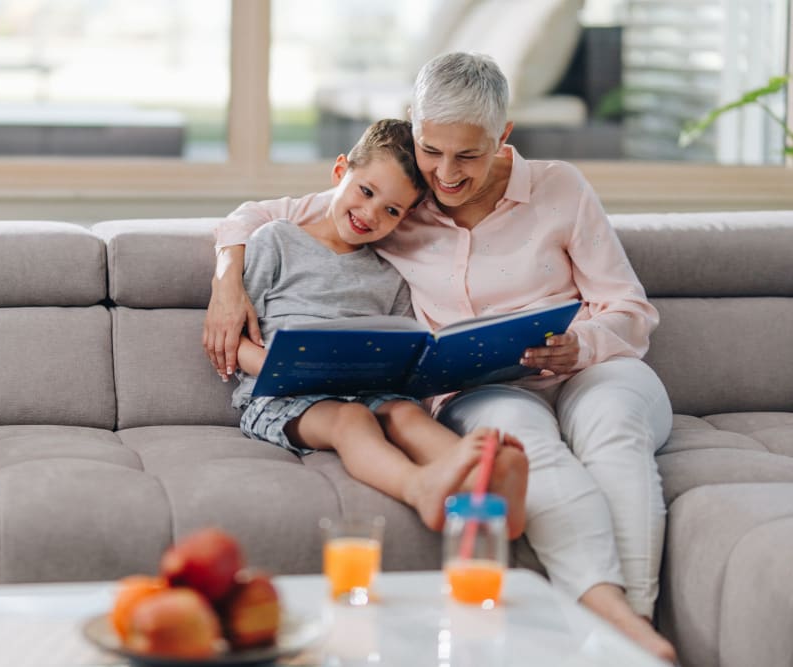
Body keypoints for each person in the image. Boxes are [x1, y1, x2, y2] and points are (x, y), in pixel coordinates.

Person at [204, 54, 677, 663]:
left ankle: (631, 628)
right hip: (490, 388)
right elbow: (267, 217)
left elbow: (629, 309)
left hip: (594, 367)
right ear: (414, 125)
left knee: (613, 431)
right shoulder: (400, 200)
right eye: (432, 149)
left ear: (503, 137)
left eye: (469, 156)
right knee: (527, 451)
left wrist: (579, 345)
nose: (447, 174)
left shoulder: (560, 187)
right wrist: (226, 279)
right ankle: (623, 631)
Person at [228, 118, 528, 534]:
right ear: (340, 172)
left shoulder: (389, 272)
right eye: (365, 191)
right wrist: (281, 367)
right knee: (352, 419)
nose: (370, 214)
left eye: (391, 210)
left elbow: (405, 348)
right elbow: (235, 339)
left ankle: (486, 479)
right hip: (281, 394)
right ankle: (419, 488)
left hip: (366, 389)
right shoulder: (276, 240)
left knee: (405, 413)